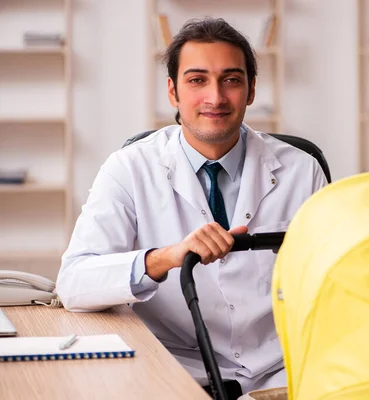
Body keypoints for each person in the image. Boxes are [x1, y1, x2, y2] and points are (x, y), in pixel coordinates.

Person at [56, 17, 328, 397]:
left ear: (250, 91)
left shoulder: (302, 169)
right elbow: (74, 282)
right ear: (173, 92)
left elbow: (330, 281)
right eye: (197, 80)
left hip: (282, 370)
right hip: (175, 368)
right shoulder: (130, 167)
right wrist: (166, 257)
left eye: (231, 80)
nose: (215, 98)